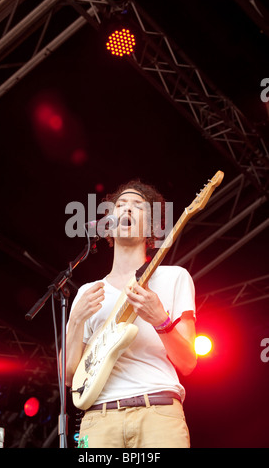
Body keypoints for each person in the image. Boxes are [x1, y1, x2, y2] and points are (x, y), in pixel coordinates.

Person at [65, 180, 197, 448]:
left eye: (137, 206)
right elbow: (69, 378)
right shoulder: (89, 293)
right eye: (120, 205)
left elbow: (188, 363)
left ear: (151, 227)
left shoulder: (175, 278)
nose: (126, 209)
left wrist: (160, 320)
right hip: (99, 420)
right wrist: (76, 321)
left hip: (158, 412)